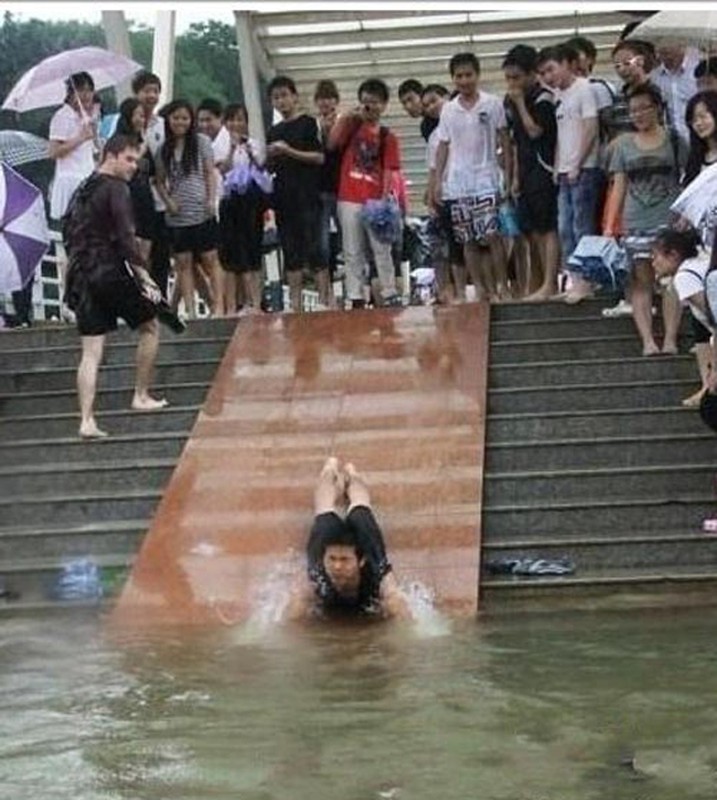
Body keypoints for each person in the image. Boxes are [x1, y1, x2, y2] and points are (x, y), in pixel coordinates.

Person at [62, 134, 167, 439]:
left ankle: (86, 419)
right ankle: (141, 394)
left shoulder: (82, 188)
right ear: (111, 156)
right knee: (150, 326)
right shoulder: (117, 188)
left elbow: (69, 232)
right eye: (129, 159)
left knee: (91, 351)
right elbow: (125, 235)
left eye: (137, 160)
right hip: (108, 270)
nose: (134, 167)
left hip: (81, 274)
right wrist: (143, 275)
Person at [603, 83, 687, 356]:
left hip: (669, 219)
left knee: (672, 279)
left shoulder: (674, 139)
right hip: (635, 219)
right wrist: (609, 225)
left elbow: (687, 177)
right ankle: (648, 340)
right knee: (641, 280)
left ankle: (671, 338)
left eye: (644, 108)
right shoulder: (623, 145)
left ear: (657, 108)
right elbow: (619, 185)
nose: (638, 114)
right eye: (633, 110)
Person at [285, 457, 412, 621]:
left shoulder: (374, 565)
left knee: (360, 504)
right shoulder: (318, 567)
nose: (337, 566)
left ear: (361, 561)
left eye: (345, 560)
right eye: (332, 559)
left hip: (363, 533)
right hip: (327, 535)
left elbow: (394, 597)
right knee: (323, 506)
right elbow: (298, 601)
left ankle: (352, 475)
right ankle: (329, 470)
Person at [430, 51, 512, 303]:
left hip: (486, 177)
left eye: (468, 75)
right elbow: (443, 145)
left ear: (477, 75)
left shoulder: (493, 103)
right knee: (467, 239)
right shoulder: (448, 110)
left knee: (491, 235)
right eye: (459, 76)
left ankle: (502, 286)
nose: (464, 80)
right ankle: (479, 288)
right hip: (458, 182)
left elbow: (504, 139)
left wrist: (507, 173)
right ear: (453, 79)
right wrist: (437, 183)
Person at [329, 78, 403, 308]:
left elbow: (390, 170)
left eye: (375, 102)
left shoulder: (387, 136)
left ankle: (389, 291)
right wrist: (349, 117)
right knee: (352, 249)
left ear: (384, 104)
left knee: (381, 248)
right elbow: (332, 143)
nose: (370, 107)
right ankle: (355, 294)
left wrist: (383, 199)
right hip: (349, 196)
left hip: (373, 198)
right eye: (366, 102)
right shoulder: (351, 127)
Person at [536, 44, 600, 303]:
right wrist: (558, 164)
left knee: (581, 225)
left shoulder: (583, 88)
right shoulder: (558, 96)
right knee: (565, 228)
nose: (549, 77)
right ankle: (575, 279)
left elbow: (591, 127)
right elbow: (562, 135)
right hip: (564, 170)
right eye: (543, 73)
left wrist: (577, 162)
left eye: (551, 69)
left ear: (566, 64)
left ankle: (586, 281)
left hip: (584, 168)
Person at [153, 99, 224, 319]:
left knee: (211, 259)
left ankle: (219, 307)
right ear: (169, 120)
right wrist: (168, 202)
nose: (180, 122)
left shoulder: (201, 142)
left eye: (185, 118)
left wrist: (211, 200)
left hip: (202, 210)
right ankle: (192, 311)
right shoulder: (163, 149)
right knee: (183, 263)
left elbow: (209, 173)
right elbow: (158, 181)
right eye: (176, 118)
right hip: (178, 215)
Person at [266, 75, 330, 312]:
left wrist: (288, 150)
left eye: (284, 95)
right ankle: (294, 302)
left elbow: (319, 157)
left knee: (317, 248)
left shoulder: (308, 123)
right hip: (284, 196)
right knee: (290, 250)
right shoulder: (273, 131)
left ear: (294, 97)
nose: (281, 101)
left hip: (309, 194)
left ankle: (324, 300)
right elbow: (270, 167)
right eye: (275, 97)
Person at [502, 44, 559, 301]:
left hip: (543, 167)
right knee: (530, 229)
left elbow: (535, 131)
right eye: (508, 77)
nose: (512, 83)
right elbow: (514, 140)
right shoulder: (509, 102)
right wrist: (513, 176)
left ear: (531, 74)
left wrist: (520, 104)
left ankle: (550, 281)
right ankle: (535, 282)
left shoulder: (543, 97)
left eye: (517, 77)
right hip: (524, 169)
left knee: (547, 227)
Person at [48, 71, 98, 322]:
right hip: (70, 182)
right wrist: (80, 137)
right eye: (82, 89)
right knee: (74, 245)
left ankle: (87, 297)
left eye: (89, 89)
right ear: (71, 92)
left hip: (89, 179)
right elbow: (54, 151)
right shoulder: (62, 116)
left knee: (91, 244)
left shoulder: (87, 117)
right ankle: (69, 300)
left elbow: (93, 151)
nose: (87, 94)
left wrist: (92, 133)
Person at [217, 102, 269, 315]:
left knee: (253, 251)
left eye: (240, 119)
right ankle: (232, 305)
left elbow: (261, 168)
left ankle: (255, 303)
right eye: (231, 119)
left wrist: (249, 151)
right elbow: (223, 169)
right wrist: (231, 147)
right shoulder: (219, 145)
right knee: (230, 254)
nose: (236, 123)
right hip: (230, 201)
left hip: (251, 201)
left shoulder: (254, 144)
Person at [132, 70, 172, 299]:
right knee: (138, 246)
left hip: (159, 192)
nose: (152, 96)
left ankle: (160, 297)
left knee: (160, 249)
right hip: (136, 192)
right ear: (137, 93)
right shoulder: (126, 120)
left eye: (156, 91)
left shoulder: (162, 124)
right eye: (147, 90)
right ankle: (139, 295)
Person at [114, 97, 155, 265]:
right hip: (127, 196)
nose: (141, 120)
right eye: (138, 115)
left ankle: (142, 286)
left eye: (143, 116)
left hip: (144, 195)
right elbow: (123, 168)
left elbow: (153, 170)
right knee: (130, 246)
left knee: (146, 247)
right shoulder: (119, 142)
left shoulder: (143, 140)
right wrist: (141, 150)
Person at [651, 40, 700, 143]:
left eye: (669, 52)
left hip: (699, 136)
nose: (666, 56)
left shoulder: (697, 71)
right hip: (672, 142)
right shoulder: (655, 78)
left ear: (682, 46)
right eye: (662, 53)